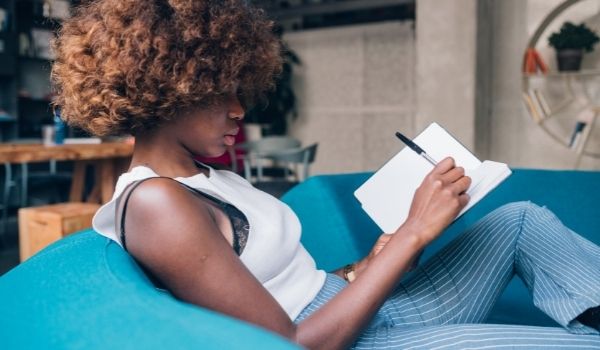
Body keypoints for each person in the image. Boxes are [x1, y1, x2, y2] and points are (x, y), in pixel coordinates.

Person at [51, 1, 600, 349]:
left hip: (363, 313)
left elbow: (296, 285)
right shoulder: (156, 205)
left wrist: (372, 263)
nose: (241, 111)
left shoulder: (206, 178)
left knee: (521, 220)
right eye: (222, 93)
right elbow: (295, 344)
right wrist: (413, 231)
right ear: (168, 91)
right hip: (352, 343)